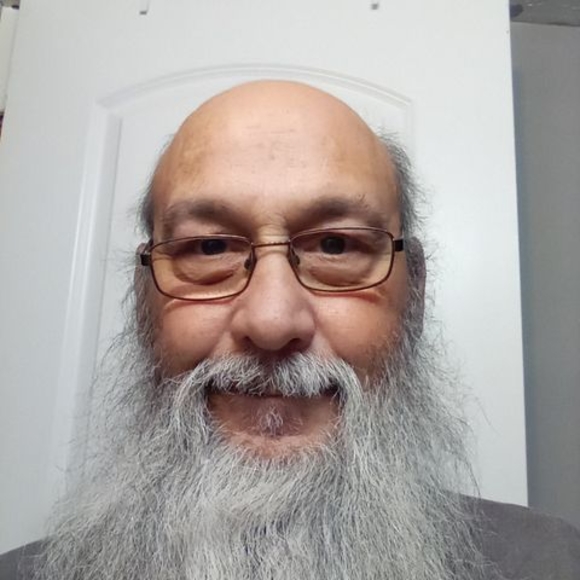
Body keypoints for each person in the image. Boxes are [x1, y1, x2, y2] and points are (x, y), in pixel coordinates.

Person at [1, 80, 579, 580]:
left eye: (336, 245)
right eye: (209, 247)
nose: (272, 321)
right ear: (141, 303)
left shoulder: (553, 561)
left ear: (416, 296)